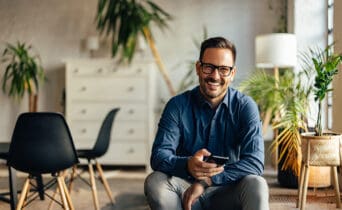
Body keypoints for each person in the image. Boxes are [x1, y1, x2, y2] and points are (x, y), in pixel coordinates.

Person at [144, 36, 269, 210]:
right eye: (209, 67)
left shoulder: (246, 106)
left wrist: (207, 180)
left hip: (228, 190)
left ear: (232, 73)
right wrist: (187, 165)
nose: (215, 76)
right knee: (155, 182)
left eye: (224, 69)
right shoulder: (177, 106)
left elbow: (254, 162)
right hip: (184, 191)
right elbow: (159, 156)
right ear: (198, 68)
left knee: (257, 184)